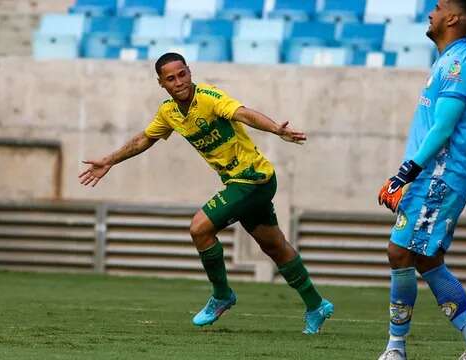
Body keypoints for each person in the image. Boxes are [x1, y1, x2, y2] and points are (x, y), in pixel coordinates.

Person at [79, 52, 333, 334]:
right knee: (274, 246)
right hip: (241, 183)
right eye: (171, 78)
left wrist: (276, 129)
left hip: (253, 179)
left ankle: (222, 295)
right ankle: (316, 305)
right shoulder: (169, 112)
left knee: (199, 228)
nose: (179, 82)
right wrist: (109, 160)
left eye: (182, 74)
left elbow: (243, 113)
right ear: (161, 83)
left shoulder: (210, 97)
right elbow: (144, 139)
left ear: (190, 72)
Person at [376, 1, 466, 359]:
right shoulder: (448, 61)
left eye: (440, 6)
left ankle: (396, 349)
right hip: (433, 174)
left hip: (440, 174)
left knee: (400, 252)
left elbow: (443, 127)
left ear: (454, 18)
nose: (432, 10)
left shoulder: (459, 65)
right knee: (427, 260)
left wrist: (405, 173)